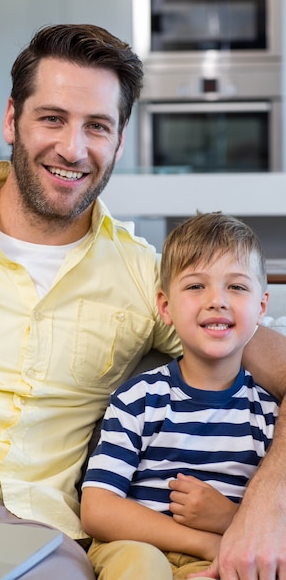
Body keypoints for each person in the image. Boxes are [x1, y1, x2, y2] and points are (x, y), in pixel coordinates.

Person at [0, 24, 285, 579]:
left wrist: (264, 509)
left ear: (119, 138)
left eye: (97, 126)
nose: (73, 147)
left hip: (37, 539)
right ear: (11, 118)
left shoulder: (146, 276)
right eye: (52, 118)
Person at [81, 212, 279, 580]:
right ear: (166, 308)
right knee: (144, 566)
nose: (217, 300)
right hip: (136, 546)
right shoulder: (139, 398)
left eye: (236, 287)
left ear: (261, 308)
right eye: (195, 287)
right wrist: (204, 542)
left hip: (224, 552)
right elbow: (98, 509)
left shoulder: (269, 416)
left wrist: (229, 521)